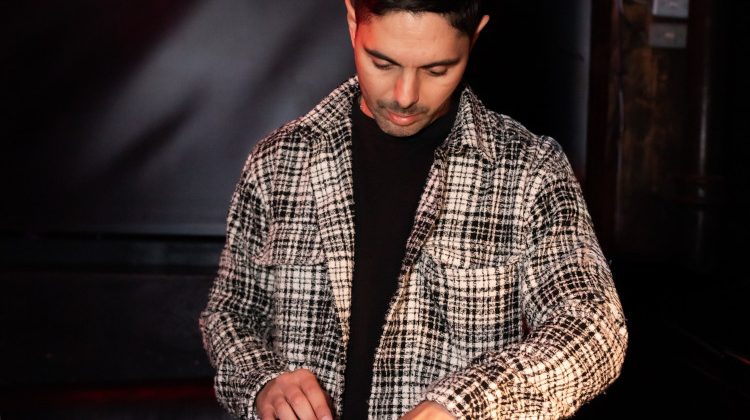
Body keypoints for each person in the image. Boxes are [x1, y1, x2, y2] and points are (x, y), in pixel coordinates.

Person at [199, 0, 628, 418]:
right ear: (352, 20)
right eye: (382, 63)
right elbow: (231, 313)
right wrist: (263, 383)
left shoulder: (529, 170)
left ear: (474, 37)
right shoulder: (278, 160)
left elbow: (595, 329)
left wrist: (466, 405)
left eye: (437, 70)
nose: (405, 96)